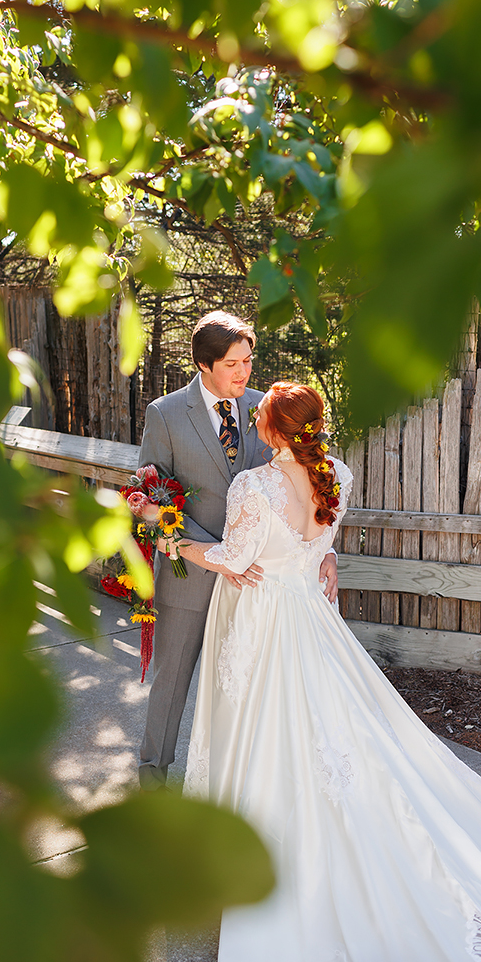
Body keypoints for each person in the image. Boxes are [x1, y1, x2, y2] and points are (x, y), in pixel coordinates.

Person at [174, 382, 481, 962]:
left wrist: (177, 543)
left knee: (268, 727)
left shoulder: (252, 485)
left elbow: (235, 560)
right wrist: (325, 556)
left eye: (261, 414)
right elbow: (319, 538)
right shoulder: (339, 473)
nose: (254, 415)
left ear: (274, 429)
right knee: (331, 726)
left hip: (265, 621)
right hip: (312, 615)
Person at [138, 313, 339, 792]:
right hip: (192, 575)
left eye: (248, 360)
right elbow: (149, 489)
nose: (245, 372)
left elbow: (314, 479)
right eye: (233, 363)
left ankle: (240, 783)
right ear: (204, 364)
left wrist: (325, 552)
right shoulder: (164, 413)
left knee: (246, 688)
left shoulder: (264, 408)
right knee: (171, 682)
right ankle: (152, 779)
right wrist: (212, 552)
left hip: (258, 586)